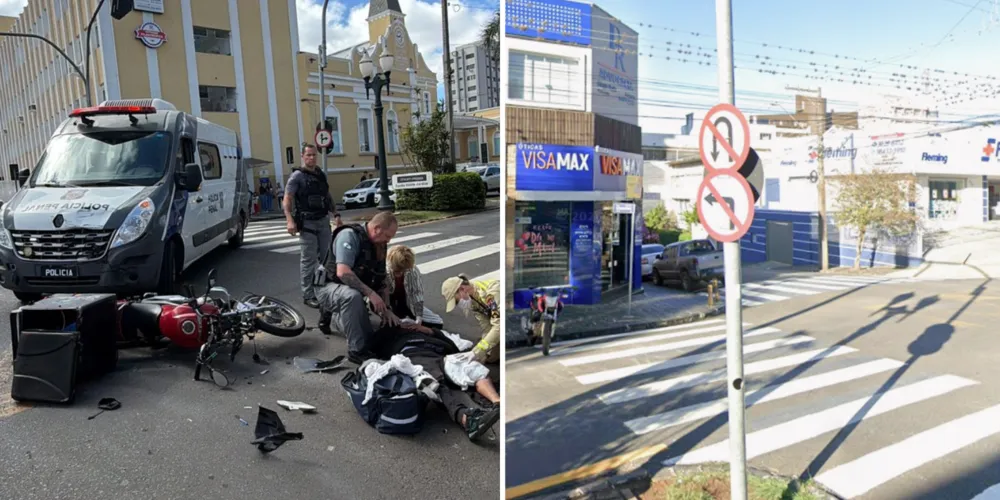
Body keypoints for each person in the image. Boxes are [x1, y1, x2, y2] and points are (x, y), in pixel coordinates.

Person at [372, 320, 500, 441]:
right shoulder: (391, 333)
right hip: (416, 356)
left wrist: (430, 331)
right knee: (435, 384)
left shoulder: (428, 332)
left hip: (441, 355)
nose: (406, 324)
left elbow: (452, 347)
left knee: (473, 369)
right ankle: (467, 419)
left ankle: (497, 402)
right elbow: (373, 348)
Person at [315, 211, 399, 364]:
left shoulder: (379, 244)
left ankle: (335, 315)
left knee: (370, 337)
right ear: (377, 228)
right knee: (352, 297)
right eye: (387, 236)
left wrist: (386, 309)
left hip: (350, 288)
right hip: (327, 286)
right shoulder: (349, 236)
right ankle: (356, 350)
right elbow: (343, 272)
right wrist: (371, 294)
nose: (389, 240)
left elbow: (382, 280)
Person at [282, 144, 337, 309]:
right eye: (308, 155)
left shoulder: (321, 175)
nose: (311, 158)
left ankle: (325, 290)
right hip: (307, 223)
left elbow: (327, 196)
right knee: (308, 261)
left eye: (314, 155)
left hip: (323, 221)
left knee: (327, 258)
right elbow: (287, 197)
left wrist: (336, 214)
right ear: (303, 156)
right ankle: (308, 294)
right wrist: (289, 220)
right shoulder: (297, 176)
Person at [440, 275, 500, 364]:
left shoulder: (491, 294)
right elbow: (487, 327)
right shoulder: (473, 300)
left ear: (462, 289)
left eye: (457, 301)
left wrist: (477, 351)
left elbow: (499, 326)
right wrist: (486, 352)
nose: (458, 305)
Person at [384, 245, 444, 329]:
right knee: (394, 325)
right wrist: (387, 311)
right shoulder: (384, 270)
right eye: (397, 271)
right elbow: (382, 294)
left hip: (406, 299)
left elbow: (417, 293)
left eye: (403, 270)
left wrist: (419, 318)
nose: (400, 273)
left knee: (437, 324)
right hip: (389, 300)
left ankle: (405, 314)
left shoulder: (412, 269)